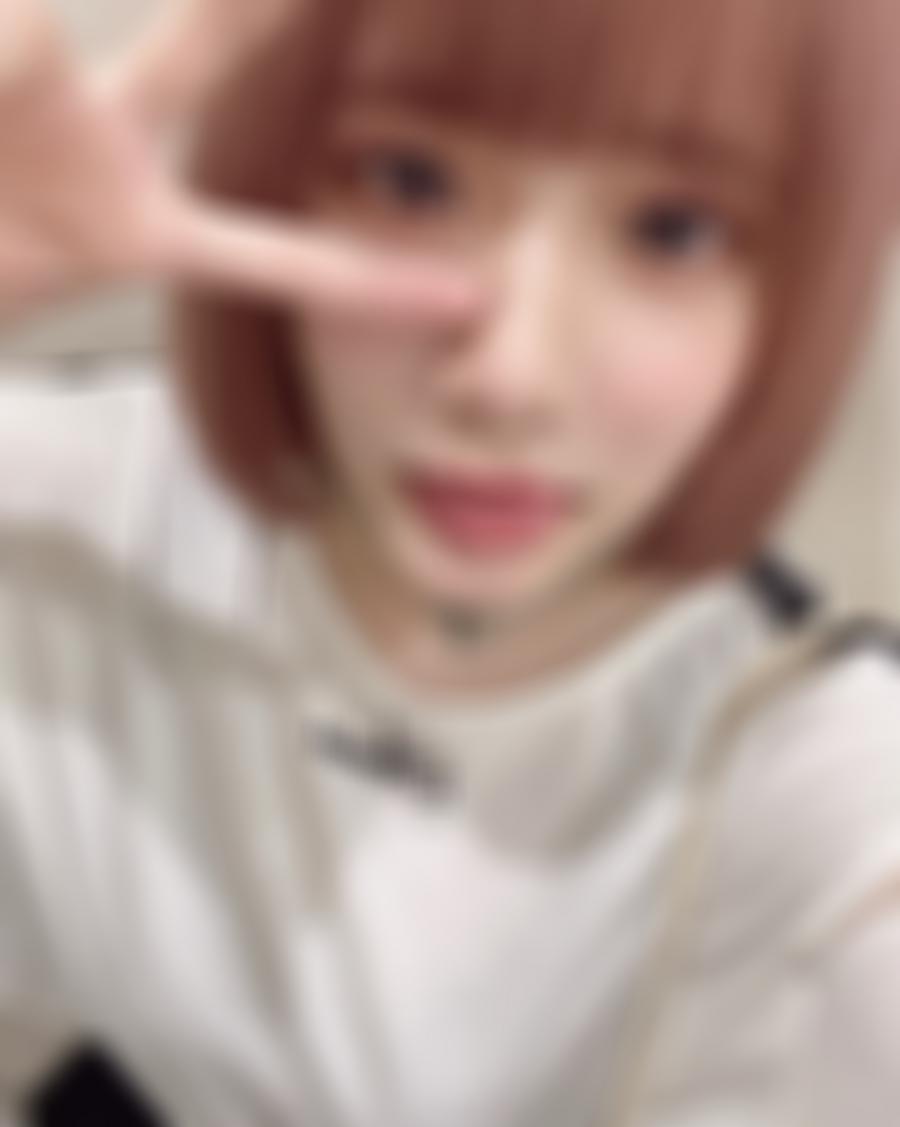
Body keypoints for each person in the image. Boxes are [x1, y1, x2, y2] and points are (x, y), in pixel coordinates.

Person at [1, 0, 900, 1124]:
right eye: (411, 182)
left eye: (674, 230)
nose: (507, 378)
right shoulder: (65, 515)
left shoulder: (825, 799)